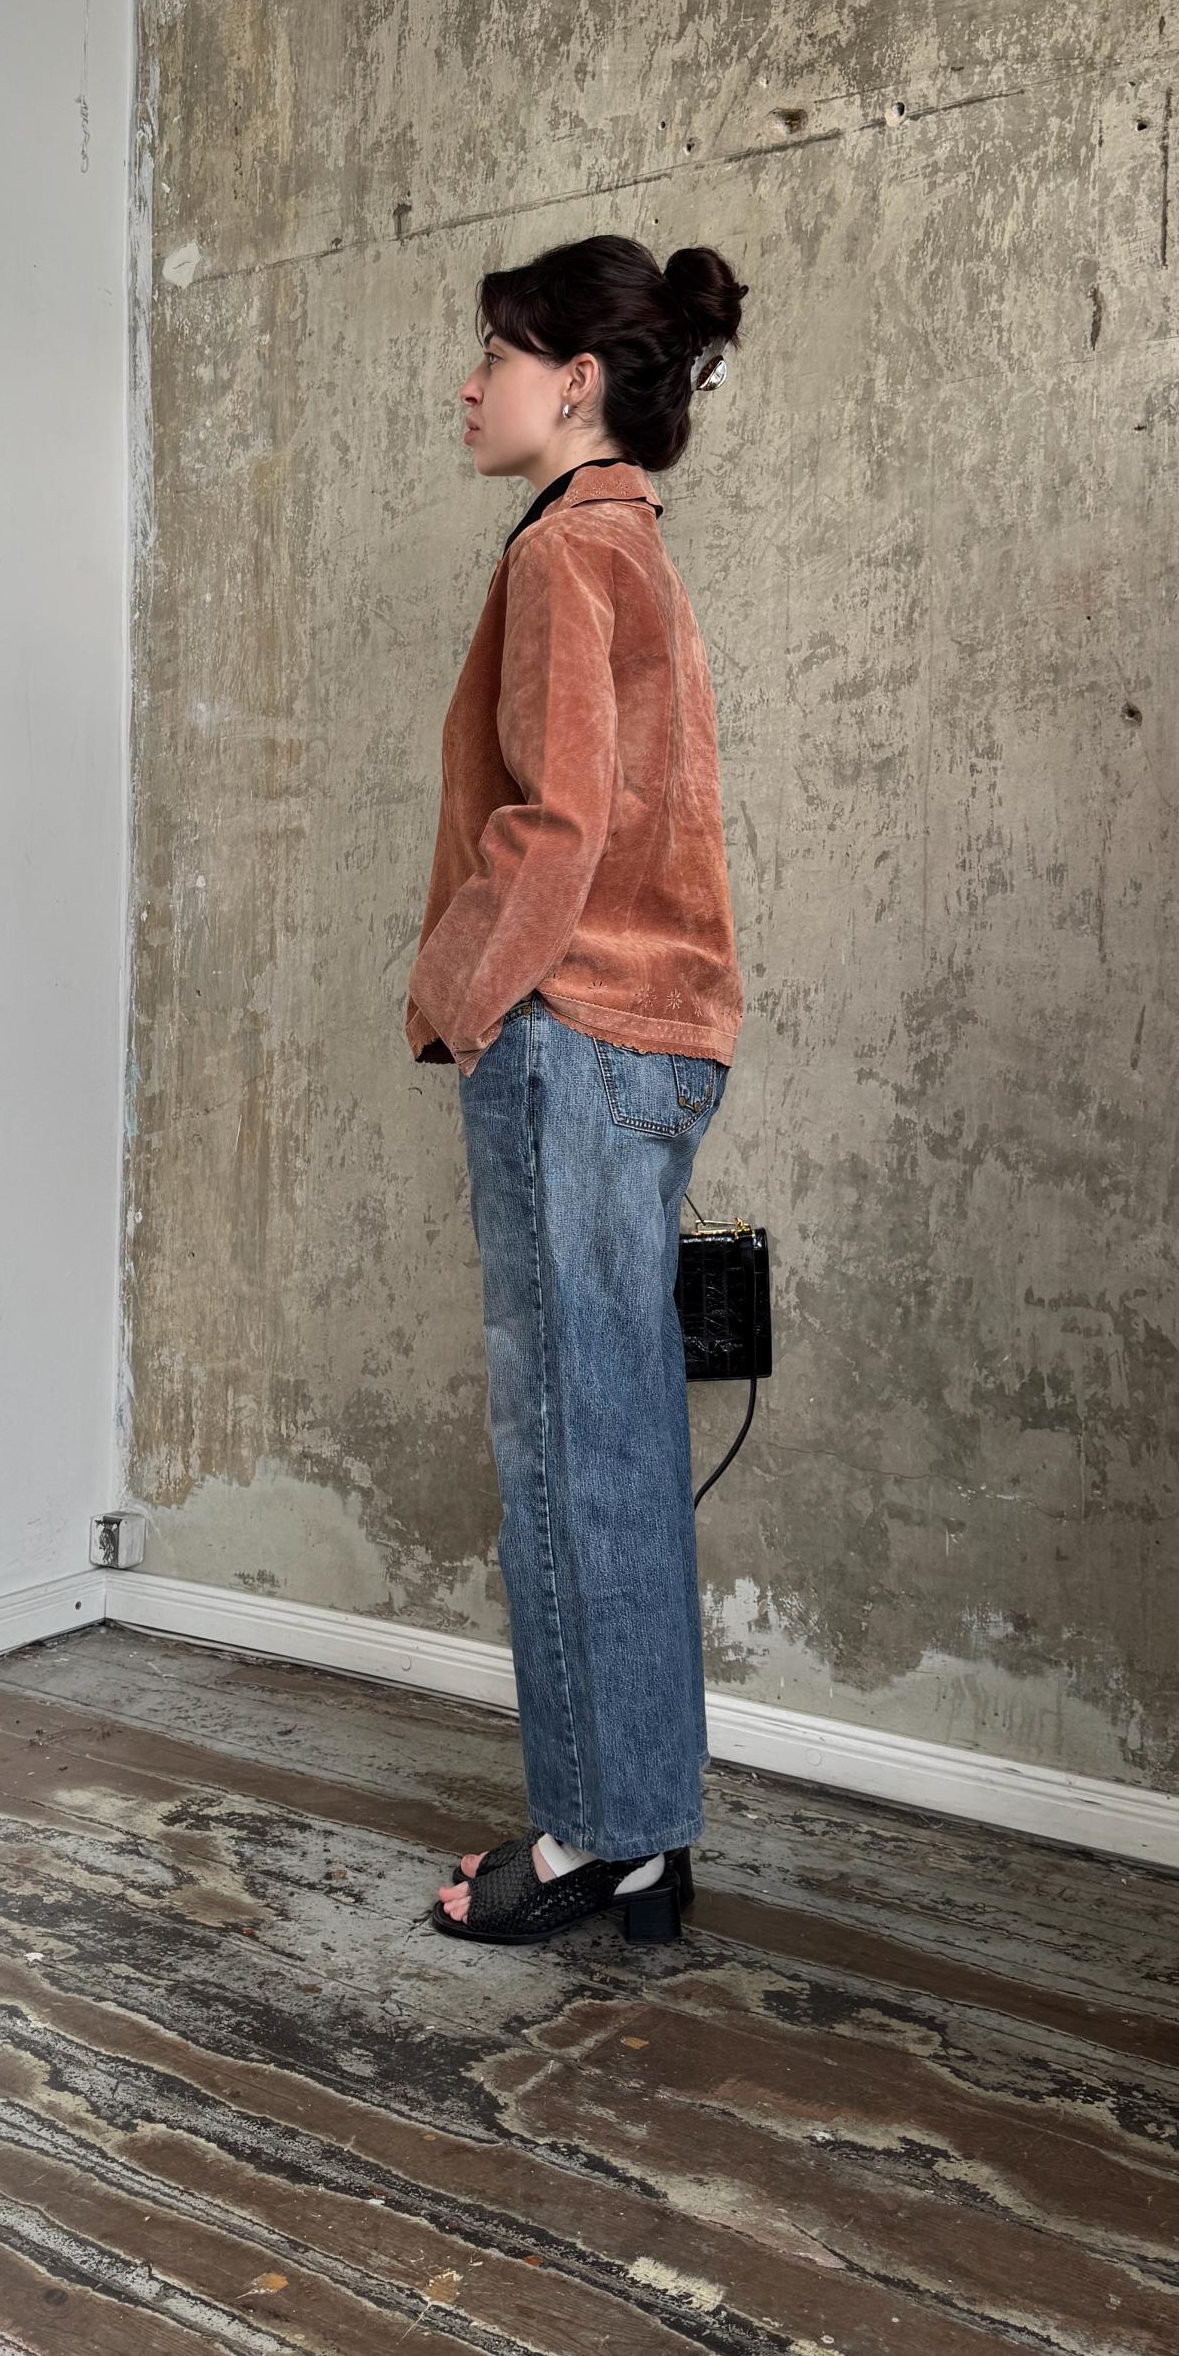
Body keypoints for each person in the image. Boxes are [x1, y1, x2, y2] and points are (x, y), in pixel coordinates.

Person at [405, 230, 748, 1949]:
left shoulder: (563, 551)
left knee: (567, 1446)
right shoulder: (635, 549)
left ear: (580, 381)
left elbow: (558, 826)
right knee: (616, 1441)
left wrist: (460, 997)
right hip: (658, 1037)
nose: (470, 387)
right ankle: (645, 1833)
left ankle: (590, 1836)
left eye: (497, 355)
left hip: (576, 1029)